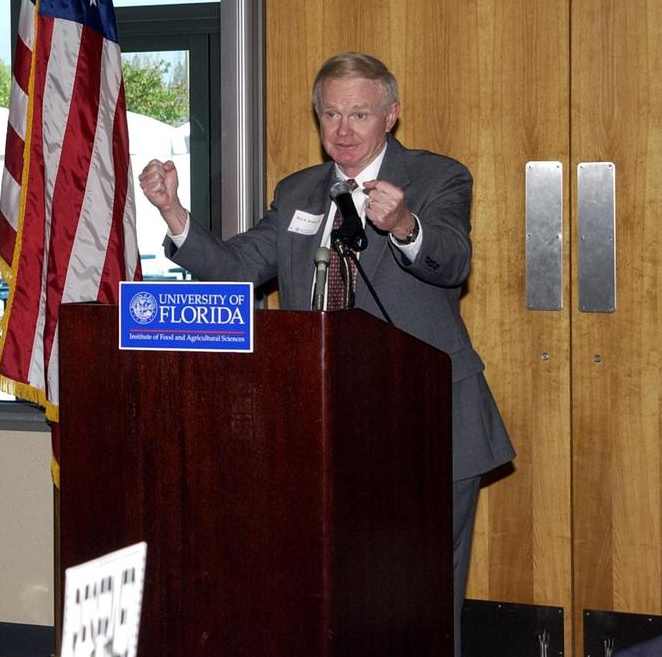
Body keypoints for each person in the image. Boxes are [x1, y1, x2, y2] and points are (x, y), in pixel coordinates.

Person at [139, 52, 514, 657]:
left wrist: (405, 225)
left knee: (422, 597)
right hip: (321, 426)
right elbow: (236, 269)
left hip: (425, 421)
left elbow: (452, 259)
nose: (342, 130)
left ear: (391, 115)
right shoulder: (297, 192)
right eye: (330, 114)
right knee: (335, 591)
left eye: (359, 114)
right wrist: (173, 214)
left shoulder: (438, 177)